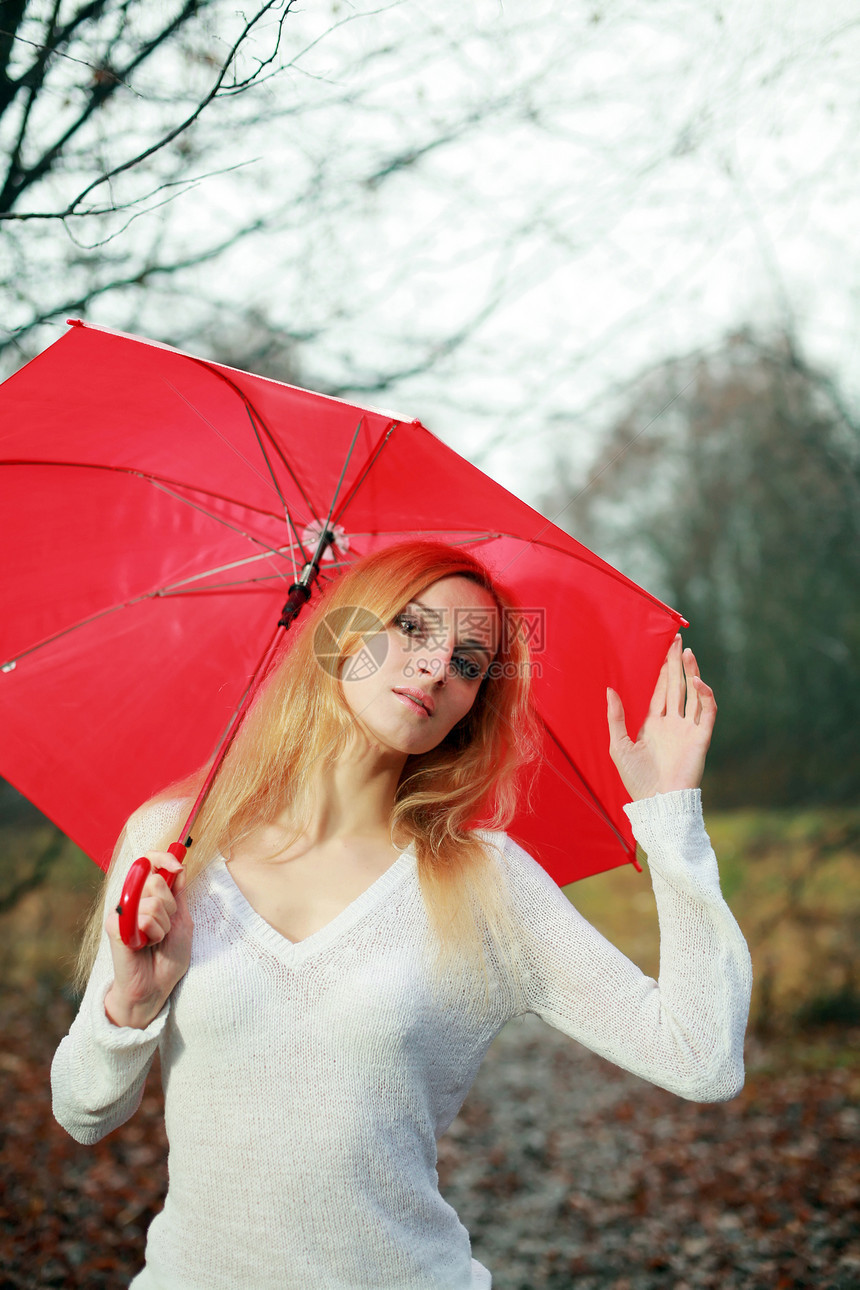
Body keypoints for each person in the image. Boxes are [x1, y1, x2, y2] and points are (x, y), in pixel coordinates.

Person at [52, 540, 752, 1290]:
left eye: (470, 663)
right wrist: (131, 1002)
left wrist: (669, 815)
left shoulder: (483, 882)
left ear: (469, 710)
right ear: (340, 634)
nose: (437, 666)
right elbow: (83, 1112)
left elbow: (700, 1057)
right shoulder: (173, 844)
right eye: (414, 628)